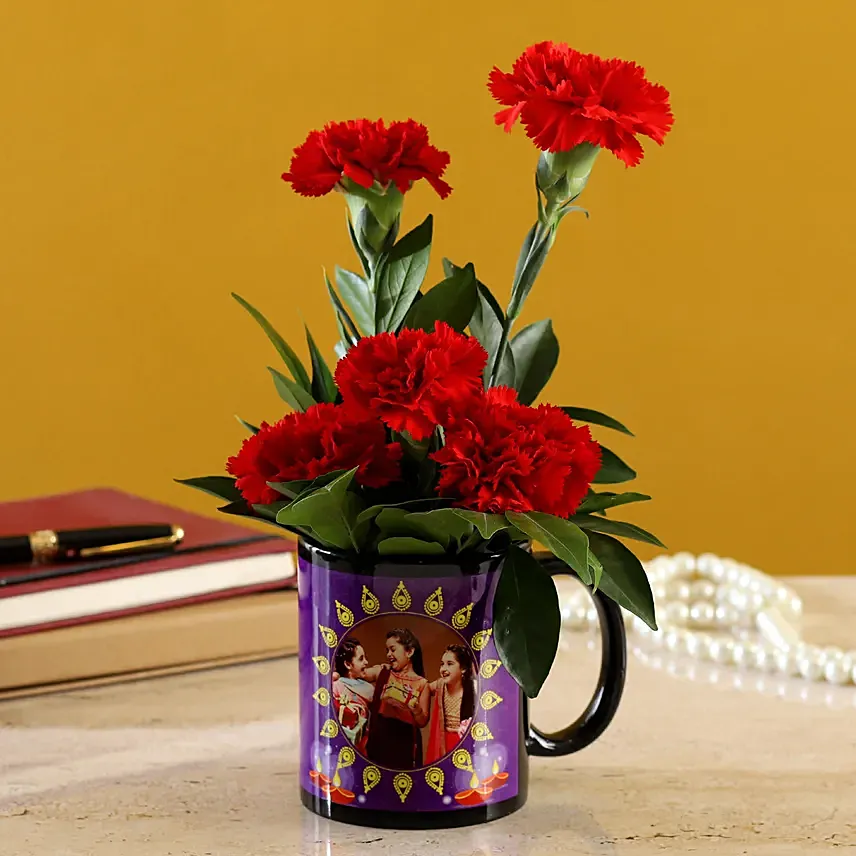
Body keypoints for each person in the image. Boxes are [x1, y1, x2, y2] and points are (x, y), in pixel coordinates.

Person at [363, 628, 429, 769]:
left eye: (393, 649)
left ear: (409, 652)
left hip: (405, 743)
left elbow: (422, 721)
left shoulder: (422, 683)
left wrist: (416, 709)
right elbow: (360, 673)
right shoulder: (382, 671)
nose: (388, 654)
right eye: (387, 650)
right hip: (379, 738)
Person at [425, 644, 476, 763]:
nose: (443, 669)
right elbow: (422, 687)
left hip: (462, 742)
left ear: (463, 668)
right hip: (443, 742)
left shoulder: (474, 690)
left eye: (450, 664)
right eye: (442, 664)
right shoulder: (439, 686)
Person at [331, 638, 374, 755]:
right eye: (361, 659)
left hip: (362, 744)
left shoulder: (369, 689)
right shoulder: (336, 686)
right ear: (348, 664)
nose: (366, 662)